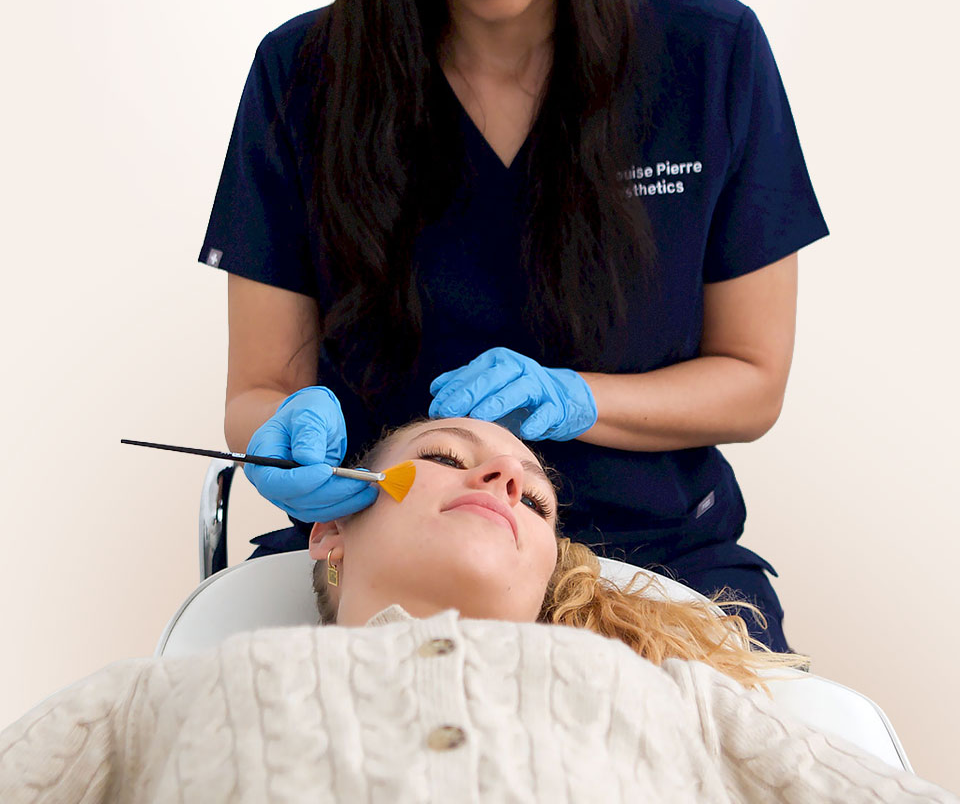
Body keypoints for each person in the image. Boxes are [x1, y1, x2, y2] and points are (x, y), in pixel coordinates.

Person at [199, 0, 829, 652]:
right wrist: (281, 434)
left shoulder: (710, 57)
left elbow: (753, 377)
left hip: (655, 557)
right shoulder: (301, 77)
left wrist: (582, 400)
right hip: (381, 550)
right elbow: (258, 385)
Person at [1, 418, 954, 803]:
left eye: (533, 499)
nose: (503, 474)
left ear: (547, 578)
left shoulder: (678, 700)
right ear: (327, 528)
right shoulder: (159, 698)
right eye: (451, 459)